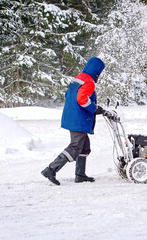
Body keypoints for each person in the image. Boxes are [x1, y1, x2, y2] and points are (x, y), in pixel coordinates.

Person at [41, 57, 105, 185]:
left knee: (85, 147)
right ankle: (51, 169)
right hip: (78, 120)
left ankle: (80, 175)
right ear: (97, 71)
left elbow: (68, 96)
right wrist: (94, 108)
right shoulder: (89, 82)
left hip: (71, 116)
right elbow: (82, 99)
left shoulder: (78, 78)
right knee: (75, 147)